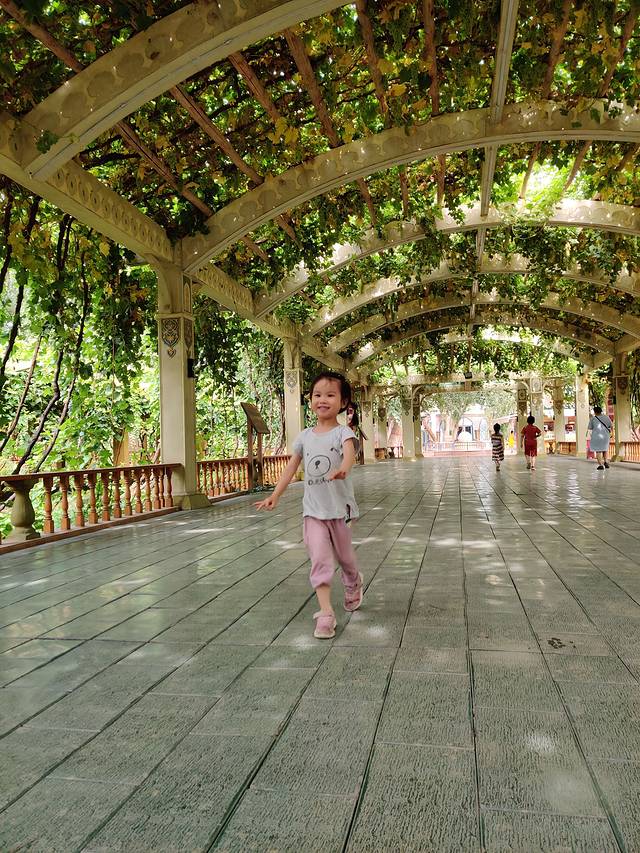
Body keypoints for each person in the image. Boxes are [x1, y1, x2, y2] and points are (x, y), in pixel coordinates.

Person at [255, 371, 363, 639]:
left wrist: (344, 469)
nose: (322, 400)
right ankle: (325, 613)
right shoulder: (304, 437)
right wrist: (275, 495)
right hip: (313, 512)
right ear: (310, 400)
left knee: (345, 558)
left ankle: (353, 580)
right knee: (320, 559)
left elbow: (349, 455)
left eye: (330, 395)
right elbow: (291, 467)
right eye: (317, 395)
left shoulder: (343, 432)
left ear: (343, 401)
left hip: (340, 511)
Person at [587, 405, 613, 470]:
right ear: (601, 411)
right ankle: (606, 461)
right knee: (605, 449)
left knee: (598, 450)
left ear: (595, 412)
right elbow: (611, 426)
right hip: (606, 436)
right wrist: (612, 434)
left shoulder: (593, 419)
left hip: (596, 436)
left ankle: (600, 465)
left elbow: (590, 428)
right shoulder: (606, 417)